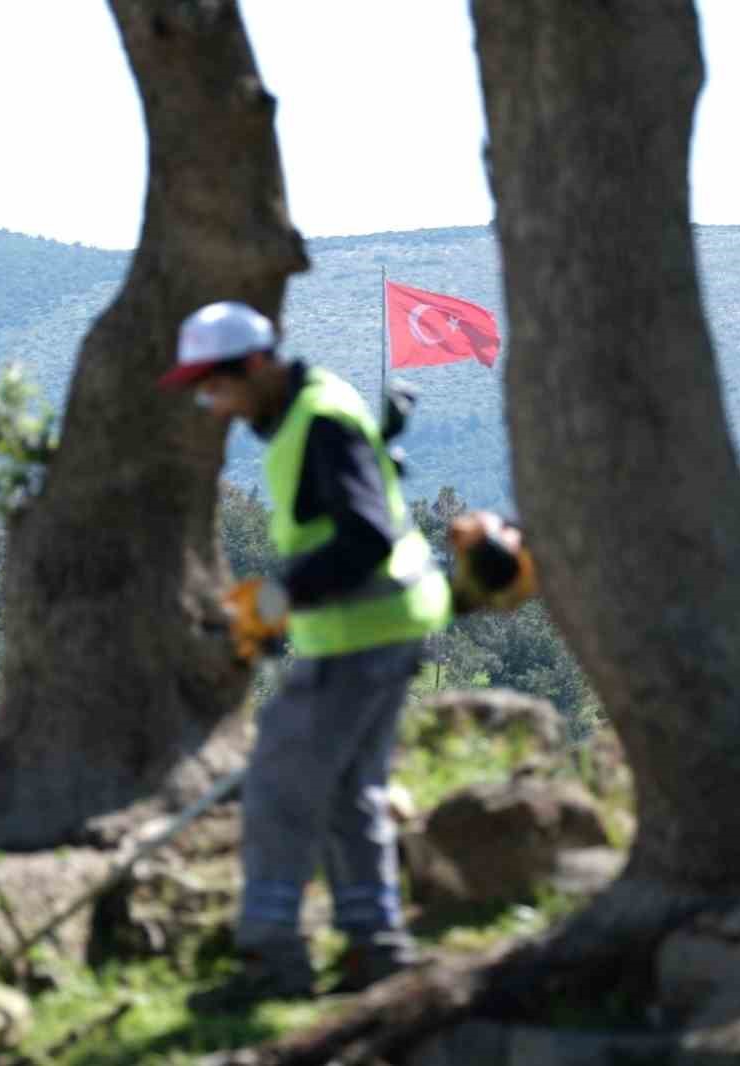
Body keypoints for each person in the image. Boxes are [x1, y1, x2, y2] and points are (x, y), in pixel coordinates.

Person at [159, 300, 452, 1009]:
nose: (212, 402)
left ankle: (271, 956)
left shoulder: (319, 422)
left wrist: (278, 596)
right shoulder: (305, 416)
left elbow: (365, 537)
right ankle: (374, 946)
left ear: (256, 365)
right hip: (383, 626)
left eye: (218, 384)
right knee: (353, 791)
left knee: (278, 788)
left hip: (361, 635)